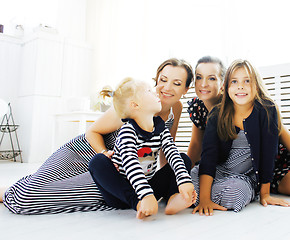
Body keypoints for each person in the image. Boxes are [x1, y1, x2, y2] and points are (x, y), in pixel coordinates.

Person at [2, 58, 193, 214]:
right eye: (162, 80)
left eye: (176, 83)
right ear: (156, 80)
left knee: (67, 193)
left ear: (185, 90)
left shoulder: (175, 108)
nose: (166, 88)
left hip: (121, 169)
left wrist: (170, 182)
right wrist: (105, 153)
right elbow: (92, 131)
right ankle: (9, 191)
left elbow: (166, 150)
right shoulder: (136, 102)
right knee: (36, 188)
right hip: (87, 152)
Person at [191, 59, 290, 216]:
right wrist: (204, 200)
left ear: (256, 85)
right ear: (226, 87)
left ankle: (196, 197)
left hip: (244, 178)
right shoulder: (217, 114)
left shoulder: (266, 110)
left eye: (247, 81)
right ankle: (201, 195)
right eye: (234, 81)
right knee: (192, 177)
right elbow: (208, 157)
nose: (240, 86)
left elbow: (268, 155)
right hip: (218, 172)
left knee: (236, 192)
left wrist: (265, 194)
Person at [89, 78, 196, 219]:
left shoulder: (160, 129)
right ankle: (138, 204)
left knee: (183, 158)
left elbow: (172, 153)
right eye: (149, 92)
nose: (156, 93)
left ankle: (173, 198)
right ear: (135, 105)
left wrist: (184, 180)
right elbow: (131, 164)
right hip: (124, 192)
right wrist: (145, 195)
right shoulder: (128, 132)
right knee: (98, 162)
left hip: (149, 187)